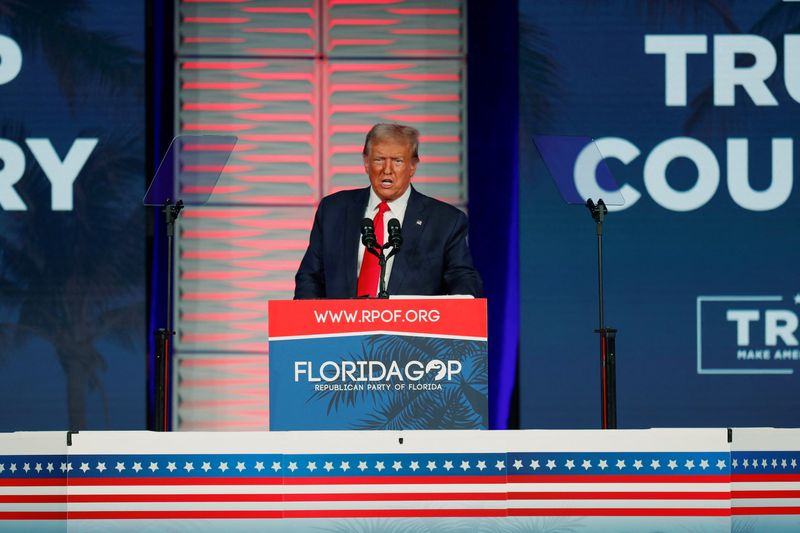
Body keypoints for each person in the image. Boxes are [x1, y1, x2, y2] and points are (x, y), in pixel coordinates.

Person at [294, 123, 483, 299]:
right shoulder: (333, 210)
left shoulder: (444, 221)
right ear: (366, 163)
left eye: (397, 161)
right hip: (341, 330)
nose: (387, 170)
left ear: (412, 166)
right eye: (379, 160)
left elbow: (462, 277)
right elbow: (309, 277)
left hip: (409, 333)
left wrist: (461, 302)